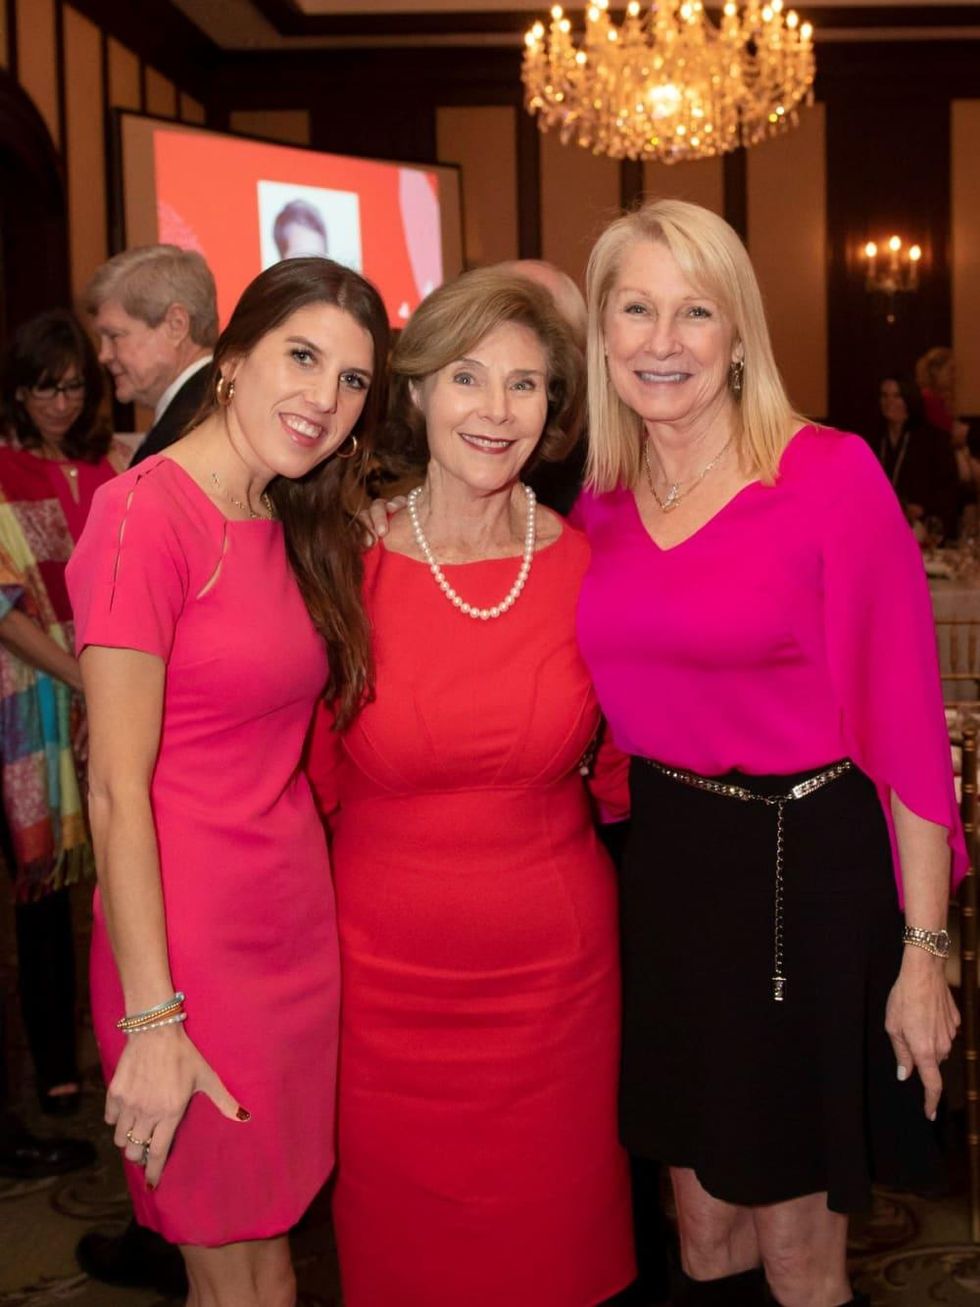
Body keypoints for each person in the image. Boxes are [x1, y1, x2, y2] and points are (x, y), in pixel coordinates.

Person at [571, 200, 964, 1307]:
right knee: (697, 1224)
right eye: (635, 309)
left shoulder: (828, 474)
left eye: (693, 311)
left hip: (807, 870)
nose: (661, 340)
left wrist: (923, 950)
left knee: (795, 1241)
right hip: (663, 871)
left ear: (738, 332)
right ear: (601, 334)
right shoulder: (595, 498)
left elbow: (905, 727)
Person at [307, 268, 635, 1307]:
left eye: (525, 385)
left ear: (553, 413)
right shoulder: (339, 563)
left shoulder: (591, 567)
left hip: (556, 987)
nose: (495, 410)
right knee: (408, 1260)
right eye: (466, 377)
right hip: (379, 983)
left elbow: (626, 769)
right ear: (413, 391)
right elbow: (305, 777)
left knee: (553, 1253)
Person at [66, 256, 389, 1307]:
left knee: (268, 1259)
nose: (323, 399)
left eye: (350, 381)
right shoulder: (141, 515)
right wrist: (153, 1024)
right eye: (301, 357)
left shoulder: (292, 515)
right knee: (228, 1261)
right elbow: (114, 788)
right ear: (233, 356)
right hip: (188, 950)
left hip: (292, 926)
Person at [0, 309, 126, 1119]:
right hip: (31, 703)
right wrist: (83, 676)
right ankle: (52, 1062)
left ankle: (113, 1036)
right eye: (47, 388)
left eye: (75, 386)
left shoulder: (108, 471)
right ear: (19, 391)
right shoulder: (1, 467)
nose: (62, 403)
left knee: (118, 878)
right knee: (40, 893)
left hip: (111, 693)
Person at [84, 244, 218, 466]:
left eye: (114, 336)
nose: (103, 355)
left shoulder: (192, 427)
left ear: (176, 325)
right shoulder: (206, 406)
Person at [874, 376, 958, 540]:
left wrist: (923, 508)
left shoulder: (934, 439)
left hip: (922, 527)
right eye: (884, 396)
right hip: (880, 527)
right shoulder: (874, 438)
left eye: (896, 396)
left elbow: (949, 489)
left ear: (909, 399)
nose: (888, 401)